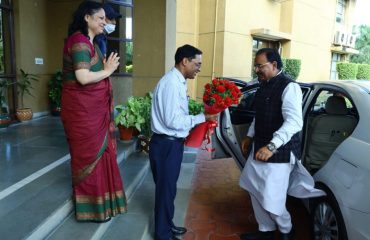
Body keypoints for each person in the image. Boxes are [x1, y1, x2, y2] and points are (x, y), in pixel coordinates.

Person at [238, 48, 325, 240]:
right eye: (256, 66)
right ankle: (266, 230)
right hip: (259, 148)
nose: (257, 70)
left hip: (279, 152)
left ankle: (287, 230)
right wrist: (249, 135)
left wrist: (271, 146)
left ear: (274, 64)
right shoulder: (263, 85)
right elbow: (259, 116)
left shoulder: (289, 87)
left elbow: (294, 122)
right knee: (253, 187)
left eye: (260, 66)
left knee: (272, 198)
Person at [61, 1, 127, 222]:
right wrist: (107, 71)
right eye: (100, 18)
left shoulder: (91, 43)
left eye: (104, 19)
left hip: (95, 113)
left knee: (102, 157)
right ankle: (92, 210)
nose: (104, 22)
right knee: (90, 159)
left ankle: (104, 206)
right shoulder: (79, 42)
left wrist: (107, 69)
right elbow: (82, 77)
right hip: (83, 114)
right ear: (87, 18)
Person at [149, 44, 217, 240]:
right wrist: (202, 117)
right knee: (165, 191)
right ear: (184, 61)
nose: (199, 68)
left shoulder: (178, 81)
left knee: (169, 189)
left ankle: (167, 226)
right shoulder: (171, 83)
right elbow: (173, 121)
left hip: (171, 144)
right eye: (197, 64)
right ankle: (163, 235)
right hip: (165, 145)